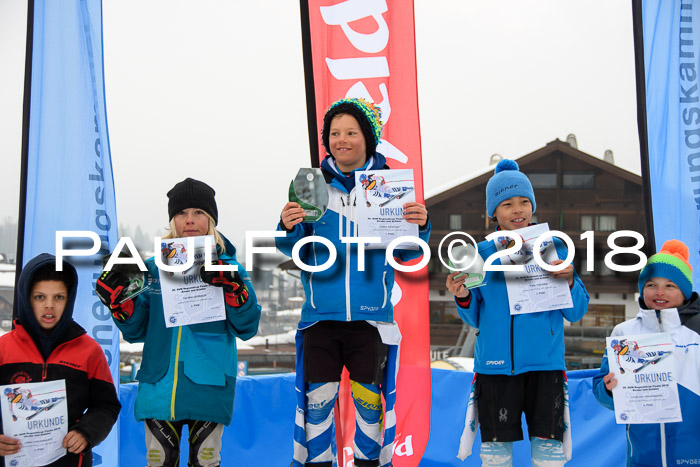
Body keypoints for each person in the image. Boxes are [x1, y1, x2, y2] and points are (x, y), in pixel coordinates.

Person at [276, 98, 430, 467]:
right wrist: (286, 226)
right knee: (317, 407)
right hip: (321, 318)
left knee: (369, 409)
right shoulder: (311, 188)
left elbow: (407, 255)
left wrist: (420, 226)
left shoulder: (389, 188)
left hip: (372, 319)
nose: (341, 140)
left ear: (368, 139)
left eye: (350, 132)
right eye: (334, 133)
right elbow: (295, 250)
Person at [96, 178, 261, 467]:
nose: (190, 220)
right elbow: (135, 331)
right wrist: (122, 306)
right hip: (160, 385)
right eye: (182, 213)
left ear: (211, 219)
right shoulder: (149, 269)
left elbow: (246, 328)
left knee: (205, 463)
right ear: (172, 219)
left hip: (210, 383)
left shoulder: (230, 267)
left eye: (198, 212)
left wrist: (237, 293)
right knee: (159, 462)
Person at [446, 159, 590, 466]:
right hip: (496, 368)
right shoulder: (479, 255)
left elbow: (576, 312)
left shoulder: (553, 248)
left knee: (548, 454)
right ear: (492, 212)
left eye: (524, 202)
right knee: (496, 455)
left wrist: (570, 280)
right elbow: (476, 319)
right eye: (507, 204)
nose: (518, 210)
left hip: (545, 365)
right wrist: (463, 297)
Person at [0, 253, 121, 466]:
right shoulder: (3, 349)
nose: (49, 305)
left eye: (59, 297)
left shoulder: (89, 350)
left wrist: (85, 433)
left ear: (70, 298)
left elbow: (106, 406)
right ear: (26, 298)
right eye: (40, 297)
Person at [592, 239, 700, 466]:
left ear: (685, 291)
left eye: (670, 285)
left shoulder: (696, 332)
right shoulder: (624, 332)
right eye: (651, 284)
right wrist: (609, 390)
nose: (659, 292)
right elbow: (601, 392)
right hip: (643, 457)